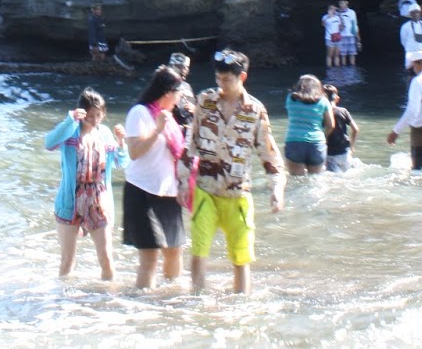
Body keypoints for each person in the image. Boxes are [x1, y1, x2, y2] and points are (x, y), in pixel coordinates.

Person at [188, 48, 285, 294]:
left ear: (242, 77)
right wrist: (180, 181)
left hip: (237, 194)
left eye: (227, 80)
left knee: (241, 258)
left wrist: (277, 189)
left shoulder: (255, 110)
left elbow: (269, 153)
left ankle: (241, 305)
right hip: (205, 190)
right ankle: (196, 301)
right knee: (198, 252)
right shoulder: (205, 100)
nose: (221, 84)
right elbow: (191, 142)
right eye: (218, 78)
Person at [44, 90, 129, 281]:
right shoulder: (70, 131)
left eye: (98, 115)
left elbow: (121, 163)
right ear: (82, 113)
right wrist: (70, 119)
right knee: (67, 261)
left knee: (107, 260)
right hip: (70, 201)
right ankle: (64, 298)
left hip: (99, 202)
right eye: (90, 115)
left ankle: (108, 297)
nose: (94, 120)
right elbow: (49, 143)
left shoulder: (105, 134)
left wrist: (121, 142)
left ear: (103, 114)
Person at [122, 65, 186, 289]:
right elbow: (134, 152)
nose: (179, 99)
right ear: (168, 92)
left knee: (175, 251)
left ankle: (172, 298)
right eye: (178, 94)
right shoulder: (139, 112)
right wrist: (157, 129)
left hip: (168, 193)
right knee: (150, 256)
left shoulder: (171, 117)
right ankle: (141, 304)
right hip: (142, 191)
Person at [283, 73, 333, 177]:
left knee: (296, 180)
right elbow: (331, 125)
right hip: (317, 143)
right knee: (316, 180)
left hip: (294, 141)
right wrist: (324, 136)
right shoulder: (323, 101)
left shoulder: (290, 99)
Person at [323, 83, 359, 172]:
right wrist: (351, 147)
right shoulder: (343, 111)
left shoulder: (322, 114)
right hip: (345, 152)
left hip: (330, 155)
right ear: (337, 99)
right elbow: (355, 129)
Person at [399, 2, 422, 67]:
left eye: (417, 12)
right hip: (411, 52)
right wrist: (410, 47)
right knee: (410, 69)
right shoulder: (405, 26)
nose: (415, 14)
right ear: (410, 14)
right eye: (413, 12)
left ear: (420, 13)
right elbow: (403, 41)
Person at [321, 3, 341, 70]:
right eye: (331, 9)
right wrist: (328, 17)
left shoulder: (337, 17)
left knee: (337, 55)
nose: (333, 10)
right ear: (328, 10)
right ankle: (329, 69)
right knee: (329, 55)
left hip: (337, 37)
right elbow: (322, 25)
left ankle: (337, 68)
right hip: (329, 38)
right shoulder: (325, 17)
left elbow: (340, 27)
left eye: (334, 9)